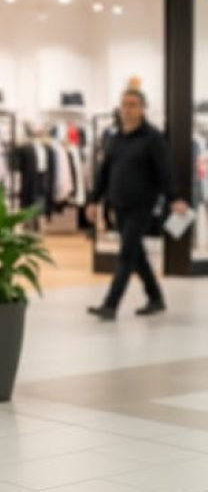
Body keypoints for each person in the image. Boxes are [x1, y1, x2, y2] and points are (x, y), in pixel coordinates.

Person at [85, 89, 189, 320]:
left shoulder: (153, 138)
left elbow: (165, 171)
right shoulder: (115, 138)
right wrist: (94, 201)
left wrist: (174, 198)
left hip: (142, 206)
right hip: (118, 205)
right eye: (124, 104)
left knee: (126, 255)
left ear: (142, 109)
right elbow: (104, 173)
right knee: (137, 254)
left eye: (132, 105)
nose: (127, 109)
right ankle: (156, 298)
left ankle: (110, 305)